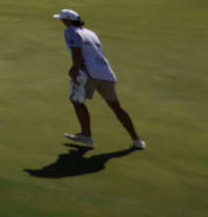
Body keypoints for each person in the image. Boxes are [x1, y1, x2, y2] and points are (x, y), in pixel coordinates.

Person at [54, 9, 144, 150]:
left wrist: (74, 70)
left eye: (62, 19)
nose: (61, 21)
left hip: (89, 73)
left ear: (67, 20)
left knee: (77, 101)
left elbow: (77, 52)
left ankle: (86, 136)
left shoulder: (70, 31)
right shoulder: (91, 33)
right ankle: (137, 140)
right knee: (116, 107)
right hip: (106, 72)